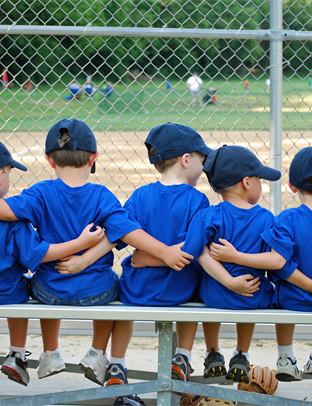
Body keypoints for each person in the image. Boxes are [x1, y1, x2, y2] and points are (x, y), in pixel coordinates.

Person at [0, 119, 194, 386]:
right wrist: (165, 252)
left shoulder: (40, 193)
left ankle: (51, 353)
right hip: (96, 293)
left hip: (48, 292)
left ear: (49, 160)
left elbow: (7, 210)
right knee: (116, 283)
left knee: (41, 278)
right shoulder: (102, 195)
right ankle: (97, 353)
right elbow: (127, 231)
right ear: (93, 158)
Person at [0, 133, 107, 386]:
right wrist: (81, 245)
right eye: (8, 172)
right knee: (22, 286)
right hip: (4, 294)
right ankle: (16, 355)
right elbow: (39, 254)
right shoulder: (13, 222)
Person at [108, 123, 261, 384]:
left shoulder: (140, 195)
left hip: (137, 290)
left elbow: (121, 234)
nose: (204, 167)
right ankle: (182, 356)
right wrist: (164, 257)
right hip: (179, 291)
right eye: (202, 159)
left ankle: (117, 364)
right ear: (186, 159)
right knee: (196, 288)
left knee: (124, 303)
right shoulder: (197, 200)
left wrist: (147, 258)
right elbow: (191, 251)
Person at [207, 146, 312, 381]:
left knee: (279, 295)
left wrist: (310, 286)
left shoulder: (287, 220)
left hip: (293, 301)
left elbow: (280, 265)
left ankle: (285, 358)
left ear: (292, 187)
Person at [179, 144, 283, 384]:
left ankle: (213, 352)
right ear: (247, 183)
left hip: (214, 294)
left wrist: (227, 281)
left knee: (204, 290)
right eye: (259, 179)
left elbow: (195, 251)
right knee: (254, 294)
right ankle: (241, 355)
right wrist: (238, 276)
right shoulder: (266, 218)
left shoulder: (208, 215)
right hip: (252, 294)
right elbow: (274, 260)